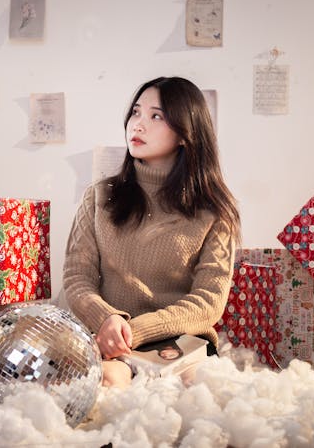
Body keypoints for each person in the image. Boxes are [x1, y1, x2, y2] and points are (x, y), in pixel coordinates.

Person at [63, 76, 240, 388]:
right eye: (135, 112)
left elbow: (209, 300)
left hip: (180, 343)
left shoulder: (214, 211)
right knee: (103, 384)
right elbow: (77, 277)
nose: (138, 125)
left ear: (186, 132)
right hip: (111, 339)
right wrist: (107, 319)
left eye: (155, 116)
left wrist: (138, 330)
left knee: (196, 394)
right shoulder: (99, 196)